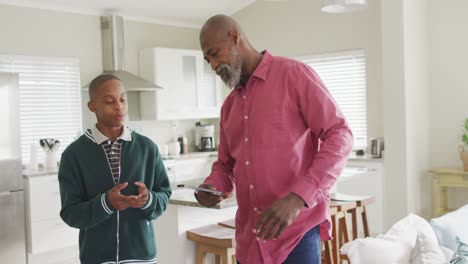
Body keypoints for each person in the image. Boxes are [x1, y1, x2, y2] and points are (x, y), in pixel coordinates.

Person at [195, 15, 354, 264]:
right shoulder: (229, 108)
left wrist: (297, 197)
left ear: (234, 39)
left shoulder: (293, 74)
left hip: (295, 236)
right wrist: (213, 186)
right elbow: (225, 166)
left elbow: (340, 134)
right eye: (208, 60)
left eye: (214, 54)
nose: (213, 65)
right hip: (249, 243)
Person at [58, 74, 171, 264]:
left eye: (123, 99)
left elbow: (164, 195)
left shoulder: (147, 148)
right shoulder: (74, 154)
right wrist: (106, 203)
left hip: (141, 255)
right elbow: (70, 213)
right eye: (110, 101)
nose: (119, 106)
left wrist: (148, 200)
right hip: (96, 257)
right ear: (92, 106)